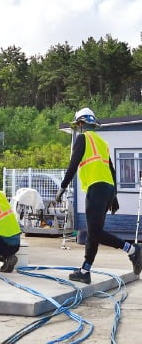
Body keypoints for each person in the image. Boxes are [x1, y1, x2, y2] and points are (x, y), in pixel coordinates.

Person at [56, 108, 141, 284]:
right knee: (94, 232)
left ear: (80, 124)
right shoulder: (102, 142)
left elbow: (73, 165)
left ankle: (132, 250)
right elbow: (111, 169)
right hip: (106, 188)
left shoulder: (82, 138)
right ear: (92, 123)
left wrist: (63, 187)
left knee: (94, 232)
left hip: (96, 188)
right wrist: (114, 195)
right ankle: (85, 271)